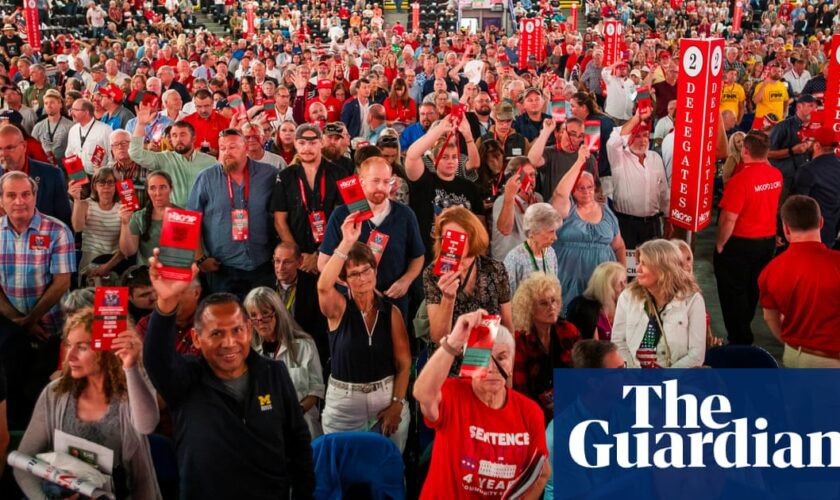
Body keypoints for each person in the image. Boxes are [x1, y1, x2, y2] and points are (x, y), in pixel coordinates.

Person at [143, 253, 315, 499]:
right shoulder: (184, 379)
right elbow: (156, 360)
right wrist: (167, 302)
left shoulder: (273, 373)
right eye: (216, 334)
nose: (229, 342)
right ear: (196, 338)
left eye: (237, 330)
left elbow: (298, 443)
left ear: (248, 330)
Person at [14, 308, 161, 499]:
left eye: (82, 347)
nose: (69, 356)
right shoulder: (55, 392)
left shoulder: (130, 390)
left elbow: (147, 425)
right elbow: (23, 462)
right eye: (68, 345)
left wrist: (130, 366)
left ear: (107, 351)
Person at [413, 310, 551, 499]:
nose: (493, 368)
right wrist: (453, 342)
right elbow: (422, 393)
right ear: (471, 361)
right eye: (484, 357)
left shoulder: (529, 412)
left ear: (511, 364)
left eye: (502, 357)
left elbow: (541, 473)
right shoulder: (453, 393)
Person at [316, 216, 411, 452]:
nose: (363, 278)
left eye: (367, 270)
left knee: (388, 472)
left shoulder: (391, 312)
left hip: (386, 397)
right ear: (345, 280)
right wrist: (346, 243)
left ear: (375, 270)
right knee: (342, 472)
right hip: (344, 405)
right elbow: (323, 287)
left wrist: (397, 404)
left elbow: (404, 362)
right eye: (354, 274)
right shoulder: (338, 309)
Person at [0, 171, 75, 427]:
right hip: (8, 333)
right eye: (12, 195)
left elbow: (62, 281)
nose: (19, 201)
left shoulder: (58, 231)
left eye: (25, 194)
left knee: (44, 397)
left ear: (35, 196)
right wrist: (19, 322)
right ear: (2, 201)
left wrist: (31, 320)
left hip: (50, 332)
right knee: (12, 393)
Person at [318, 157, 425, 316]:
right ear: (361, 182)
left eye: (386, 182)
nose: (381, 187)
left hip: (393, 304)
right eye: (375, 181)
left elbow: (417, 256)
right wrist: (356, 284)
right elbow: (323, 263)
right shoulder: (342, 215)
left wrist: (406, 280)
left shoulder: (405, 215)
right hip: (352, 305)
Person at [188, 128, 277, 297]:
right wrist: (200, 259)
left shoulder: (268, 174)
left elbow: (280, 212)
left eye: (233, 147)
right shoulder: (206, 178)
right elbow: (192, 219)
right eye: (222, 148)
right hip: (222, 267)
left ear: (245, 147)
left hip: (262, 264)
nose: (227, 152)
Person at [714, 131, 782, 345]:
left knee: (732, 291)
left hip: (740, 243)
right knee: (753, 287)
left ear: (744, 151)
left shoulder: (739, 181)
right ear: (767, 152)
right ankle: (743, 330)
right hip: (766, 241)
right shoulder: (776, 176)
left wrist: (720, 244)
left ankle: (739, 337)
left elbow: (728, 219)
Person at [759, 195, 840, 368]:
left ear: (786, 229)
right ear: (821, 223)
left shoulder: (770, 271)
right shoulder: (836, 263)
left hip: (795, 356)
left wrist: (792, 344)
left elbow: (770, 318)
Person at [424, 207, 513, 353]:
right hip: (449, 359)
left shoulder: (495, 269)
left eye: (458, 237)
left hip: (487, 359)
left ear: (472, 237)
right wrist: (447, 298)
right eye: (447, 238)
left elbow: (508, 324)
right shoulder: (433, 274)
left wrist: (508, 367)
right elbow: (438, 337)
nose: (452, 244)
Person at [551, 143, 625, 308]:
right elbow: (559, 194)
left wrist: (622, 275)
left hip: (604, 286)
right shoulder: (566, 209)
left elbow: (619, 245)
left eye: (590, 187)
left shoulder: (606, 211)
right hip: (569, 281)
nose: (586, 191)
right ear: (573, 190)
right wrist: (579, 162)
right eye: (580, 188)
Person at [244, 286, 325, 439]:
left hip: (302, 425)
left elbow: (316, 391)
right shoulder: (249, 352)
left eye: (265, 314)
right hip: (265, 430)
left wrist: (294, 413)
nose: (260, 321)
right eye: (254, 315)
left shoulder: (304, 345)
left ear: (278, 313)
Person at [613, 239, 706, 368]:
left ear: (663, 269)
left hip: (677, 379)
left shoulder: (693, 300)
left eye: (644, 264)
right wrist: (636, 375)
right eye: (638, 263)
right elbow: (618, 342)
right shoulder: (627, 296)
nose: (637, 269)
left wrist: (664, 378)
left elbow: (696, 355)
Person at [272, 123, 345, 275]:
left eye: (312, 143)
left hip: (332, 256)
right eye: (302, 143)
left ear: (322, 143)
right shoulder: (285, 176)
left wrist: (320, 255)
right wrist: (298, 256)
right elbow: (279, 220)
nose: (307, 148)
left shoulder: (341, 174)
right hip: (298, 260)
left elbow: (345, 219)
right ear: (295, 144)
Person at [405, 116, 484, 257]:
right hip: (430, 255)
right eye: (445, 157)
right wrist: (440, 128)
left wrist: (468, 135)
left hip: (463, 256)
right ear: (435, 160)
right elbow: (412, 156)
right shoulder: (425, 181)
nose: (451, 161)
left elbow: (479, 226)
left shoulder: (469, 187)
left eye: (454, 157)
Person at [511, 272, 580, 421]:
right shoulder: (520, 340)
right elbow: (520, 391)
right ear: (529, 308)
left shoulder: (568, 330)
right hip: (533, 413)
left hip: (570, 406)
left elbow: (582, 374)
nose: (552, 307)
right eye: (543, 303)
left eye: (554, 300)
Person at [605, 107, 670, 249]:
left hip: (652, 225)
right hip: (626, 224)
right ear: (628, 138)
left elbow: (664, 191)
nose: (643, 141)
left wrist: (667, 219)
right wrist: (637, 118)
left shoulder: (655, 158)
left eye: (645, 135)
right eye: (638, 136)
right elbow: (613, 140)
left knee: (652, 266)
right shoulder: (619, 158)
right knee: (629, 268)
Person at [129, 104, 217, 207]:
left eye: (183, 135)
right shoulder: (164, 158)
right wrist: (140, 125)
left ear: (193, 138)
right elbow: (135, 153)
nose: (178, 139)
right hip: (173, 217)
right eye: (174, 135)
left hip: (202, 217)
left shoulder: (211, 162)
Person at [0, 124, 72, 226]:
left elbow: (64, 221)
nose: (3, 154)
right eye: (0, 149)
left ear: (24, 146)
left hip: (43, 238)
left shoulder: (52, 175)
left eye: (10, 148)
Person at [69, 167, 124, 280]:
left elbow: (125, 248)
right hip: (89, 259)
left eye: (110, 182)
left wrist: (106, 267)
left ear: (116, 185)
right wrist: (77, 200)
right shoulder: (85, 204)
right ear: (94, 185)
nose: (106, 187)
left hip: (114, 261)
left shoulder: (123, 208)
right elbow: (77, 227)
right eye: (101, 182)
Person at [528, 116, 597, 202]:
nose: (576, 139)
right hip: (555, 209)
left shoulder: (588, 157)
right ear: (561, 132)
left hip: (578, 210)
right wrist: (546, 131)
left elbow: (595, 187)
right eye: (572, 134)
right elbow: (532, 161)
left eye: (580, 136)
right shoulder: (550, 153)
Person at [793, 126, 840, 247]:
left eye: (810, 141)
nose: (807, 143)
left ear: (817, 146)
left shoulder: (807, 170)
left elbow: (799, 207)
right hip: (831, 233)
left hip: (808, 236)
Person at [119, 171, 175, 267]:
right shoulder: (138, 217)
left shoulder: (183, 216)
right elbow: (128, 252)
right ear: (147, 191)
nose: (158, 193)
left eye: (162, 187)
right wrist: (125, 223)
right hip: (146, 275)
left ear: (171, 189)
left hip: (174, 275)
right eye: (152, 188)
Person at [491, 156, 542, 260]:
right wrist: (509, 196)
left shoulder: (538, 198)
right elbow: (505, 230)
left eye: (532, 175)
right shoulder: (501, 201)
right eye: (525, 176)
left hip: (530, 261)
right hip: (506, 263)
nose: (531, 180)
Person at [504, 203, 562, 292]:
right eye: (551, 231)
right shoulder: (514, 258)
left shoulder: (550, 252)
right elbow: (507, 297)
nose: (555, 237)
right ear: (534, 231)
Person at [565, 261, 627, 341]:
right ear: (607, 286)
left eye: (625, 282)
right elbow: (593, 348)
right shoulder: (586, 309)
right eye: (620, 283)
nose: (624, 287)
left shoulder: (620, 304)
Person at [64, 98, 113, 175]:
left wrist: (104, 177)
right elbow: (69, 154)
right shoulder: (73, 130)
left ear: (86, 112)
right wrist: (75, 177)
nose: (71, 113)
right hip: (79, 177)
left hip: (98, 178)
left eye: (75, 110)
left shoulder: (105, 130)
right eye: (71, 109)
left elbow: (112, 158)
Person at [31, 89, 73, 164]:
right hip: (44, 167)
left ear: (60, 104)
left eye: (52, 102)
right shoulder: (38, 126)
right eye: (46, 103)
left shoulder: (70, 126)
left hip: (64, 169)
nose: (48, 106)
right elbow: (32, 149)